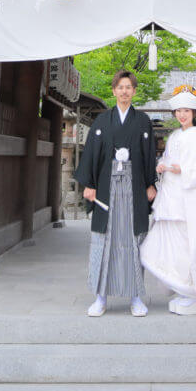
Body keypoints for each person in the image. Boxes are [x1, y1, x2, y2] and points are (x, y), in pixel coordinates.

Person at [74, 70, 157, 317]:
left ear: (134, 91)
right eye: (120, 87)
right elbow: (91, 152)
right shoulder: (102, 122)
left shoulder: (142, 121)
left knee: (134, 241)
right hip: (107, 186)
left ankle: (135, 297)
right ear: (113, 91)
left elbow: (149, 153)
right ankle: (101, 298)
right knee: (104, 240)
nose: (124, 91)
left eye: (128, 87)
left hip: (134, 186)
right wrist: (89, 184)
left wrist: (151, 183)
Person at [140, 84, 196, 315]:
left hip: (189, 199)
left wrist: (181, 169)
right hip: (171, 196)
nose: (182, 114)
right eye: (179, 110)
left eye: (187, 110)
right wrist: (162, 167)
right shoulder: (173, 136)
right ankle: (180, 288)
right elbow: (166, 160)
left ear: (194, 112)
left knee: (188, 243)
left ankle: (193, 291)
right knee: (170, 244)